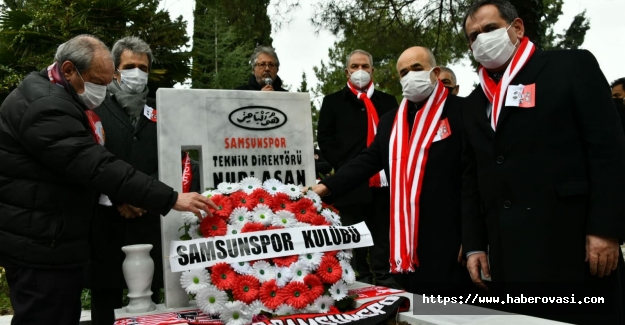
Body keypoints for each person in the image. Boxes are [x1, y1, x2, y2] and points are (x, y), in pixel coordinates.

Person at [0, 34, 215, 325]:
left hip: (53, 238)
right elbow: (95, 164)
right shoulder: (46, 107)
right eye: (99, 82)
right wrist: (171, 198)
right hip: (41, 243)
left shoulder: (55, 95)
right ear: (68, 70)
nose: (102, 90)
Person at [461, 1, 625, 323]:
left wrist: (606, 229)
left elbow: (608, 151)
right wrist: (474, 245)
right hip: (509, 257)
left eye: (490, 29)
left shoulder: (571, 66)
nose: (482, 39)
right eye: (473, 36)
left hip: (573, 246)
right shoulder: (474, 103)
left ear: (517, 28)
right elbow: (472, 179)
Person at [315, 47, 471, 294]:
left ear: (435, 72)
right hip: (409, 242)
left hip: (453, 237)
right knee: (420, 311)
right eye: (404, 72)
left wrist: (473, 238)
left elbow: (474, 177)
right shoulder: (392, 121)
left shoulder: (463, 111)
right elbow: (366, 160)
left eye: (417, 69)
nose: (410, 76)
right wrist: (324, 187)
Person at [86, 36, 202, 325]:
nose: (136, 73)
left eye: (143, 67)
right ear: (115, 70)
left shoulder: (162, 110)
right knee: (106, 301)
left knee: (159, 303)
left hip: (153, 220)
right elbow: (87, 159)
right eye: (129, 66)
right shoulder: (94, 108)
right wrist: (120, 197)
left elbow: (179, 159)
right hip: (108, 220)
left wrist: (146, 197)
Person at [317, 49, 398, 288]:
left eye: (364, 66)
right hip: (349, 182)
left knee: (382, 235)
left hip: (383, 182)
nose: (359, 71)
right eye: (354, 66)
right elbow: (325, 138)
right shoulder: (332, 102)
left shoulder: (387, 101)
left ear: (372, 70)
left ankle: (384, 278)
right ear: (346, 71)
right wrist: (342, 166)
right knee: (354, 235)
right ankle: (360, 280)